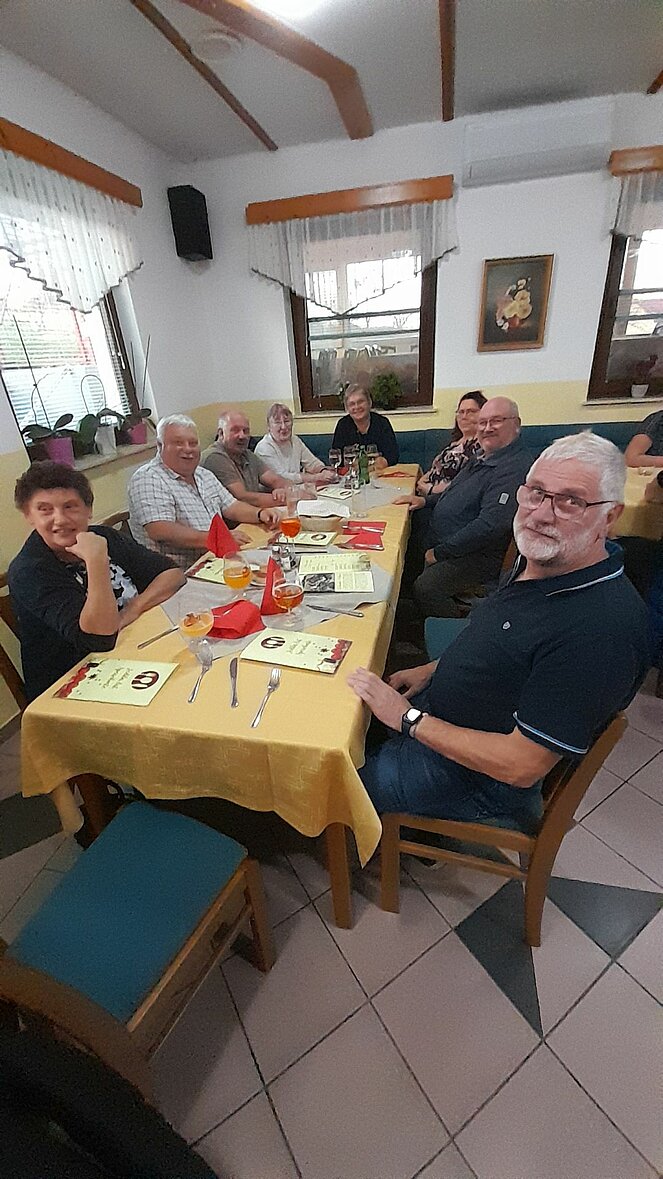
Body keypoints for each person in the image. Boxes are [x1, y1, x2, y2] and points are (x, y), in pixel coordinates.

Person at [348, 432, 649, 832]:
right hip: (444, 717)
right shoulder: (545, 560)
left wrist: (409, 719)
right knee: (342, 714)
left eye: (571, 501)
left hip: (475, 778)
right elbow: (498, 641)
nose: (541, 514)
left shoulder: (600, 630)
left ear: (609, 517)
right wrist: (432, 670)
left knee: (340, 786)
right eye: (536, 492)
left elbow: (521, 766)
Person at [9, 462, 185, 702]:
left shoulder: (104, 536)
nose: (60, 519)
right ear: (29, 516)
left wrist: (134, 608)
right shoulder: (30, 570)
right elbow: (101, 637)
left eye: (70, 506)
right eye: (45, 510)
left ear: (88, 510)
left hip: (135, 649)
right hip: (74, 685)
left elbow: (172, 575)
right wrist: (95, 560)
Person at [398, 397, 531, 618]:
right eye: (483, 422)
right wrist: (425, 501)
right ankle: (404, 622)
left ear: (516, 424)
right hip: (447, 541)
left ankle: (457, 631)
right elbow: (453, 491)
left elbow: (491, 526)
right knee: (400, 553)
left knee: (426, 588)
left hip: (477, 554)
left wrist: (440, 553)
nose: (487, 428)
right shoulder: (482, 456)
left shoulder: (514, 467)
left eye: (496, 421)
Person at [128, 415, 280, 569]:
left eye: (193, 443)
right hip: (181, 572)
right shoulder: (148, 478)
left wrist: (260, 513)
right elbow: (161, 530)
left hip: (216, 559)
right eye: (178, 443)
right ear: (160, 445)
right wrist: (217, 538)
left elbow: (232, 506)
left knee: (277, 562)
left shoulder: (203, 474)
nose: (188, 449)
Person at [202, 411, 292, 509]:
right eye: (235, 430)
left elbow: (277, 481)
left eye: (245, 431)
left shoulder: (247, 454)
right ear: (221, 433)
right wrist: (287, 498)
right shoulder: (214, 457)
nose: (242, 436)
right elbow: (242, 498)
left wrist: (282, 491)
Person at [416, 391, 486, 496]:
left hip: (443, 498)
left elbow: (464, 483)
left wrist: (430, 490)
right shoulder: (455, 444)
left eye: (471, 411)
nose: (464, 416)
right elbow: (436, 469)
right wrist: (421, 482)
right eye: (461, 412)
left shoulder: (481, 448)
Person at [255, 403, 336, 486]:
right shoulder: (264, 447)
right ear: (269, 426)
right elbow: (280, 477)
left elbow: (312, 463)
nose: (283, 427)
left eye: (287, 421)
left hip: (295, 488)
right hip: (273, 491)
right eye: (278, 422)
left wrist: (323, 471)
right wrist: (315, 477)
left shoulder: (295, 440)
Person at [331, 385, 399, 468]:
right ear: (347, 408)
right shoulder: (343, 425)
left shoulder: (382, 422)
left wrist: (377, 463)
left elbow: (392, 456)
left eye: (360, 402)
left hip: (380, 473)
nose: (356, 407)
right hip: (352, 474)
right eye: (352, 404)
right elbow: (338, 457)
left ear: (369, 403)